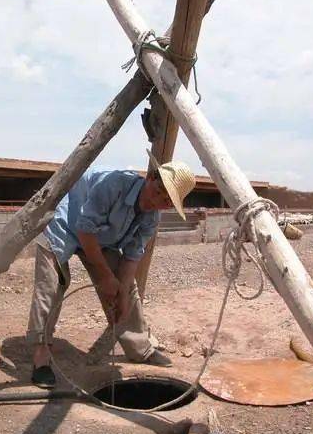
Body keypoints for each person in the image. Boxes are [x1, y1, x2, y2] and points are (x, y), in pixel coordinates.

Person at [26, 150, 196, 388]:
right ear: (150, 178)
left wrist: (122, 293)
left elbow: (132, 257)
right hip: (66, 223)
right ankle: (41, 356)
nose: (156, 201)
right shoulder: (113, 184)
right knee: (52, 285)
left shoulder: (151, 218)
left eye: (166, 201)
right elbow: (84, 230)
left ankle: (140, 348)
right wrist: (105, 277)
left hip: (100, 238)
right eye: (158, 191)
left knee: (127, 290)